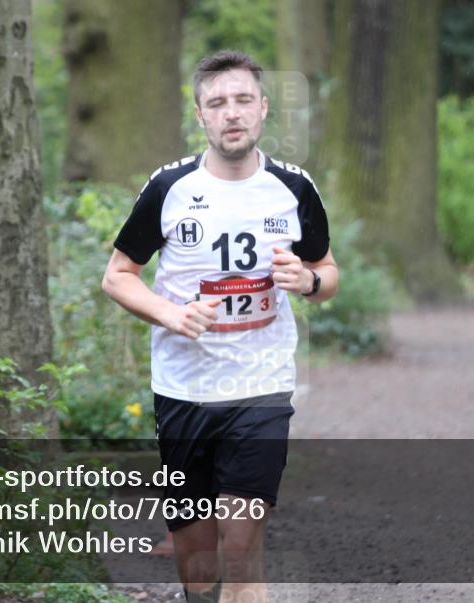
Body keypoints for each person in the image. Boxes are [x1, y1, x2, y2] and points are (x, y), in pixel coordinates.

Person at [101, 50, 339, 603]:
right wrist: (172, 314)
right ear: (200, 115)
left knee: (240, 542)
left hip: (261, 385)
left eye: (241, 100)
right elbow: (118, 277)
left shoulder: (294, 188)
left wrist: (306, 281)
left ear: (262, 108)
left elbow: (328, 273)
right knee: (198, 563)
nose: (231, 113)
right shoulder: (169, 188)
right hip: (184, 389)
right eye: (217, 103)